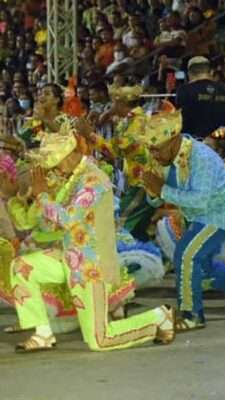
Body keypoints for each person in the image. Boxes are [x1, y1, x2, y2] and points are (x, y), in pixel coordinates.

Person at [9, 129, 174, 352]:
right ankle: (43, 334)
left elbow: (68, 219)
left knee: (100, 340)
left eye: (55, 164)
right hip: (68, 256)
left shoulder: (93, 179)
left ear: (67, 157)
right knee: (22, 266)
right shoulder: (73, 178)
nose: (53, 170)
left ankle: (158, 318)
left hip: (91, 267)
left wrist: (42, 196)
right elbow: (50, 224)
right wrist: (37, 198)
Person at [139, 110, 225, 331]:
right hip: (200, 214)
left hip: (222, 211)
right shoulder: (165, 156)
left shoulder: (200, 156)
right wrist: (152, 190)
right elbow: (157, 199)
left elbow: (200, 199)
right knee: (202, 263)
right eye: (150, 148)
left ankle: (192, 315)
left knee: (186, 255)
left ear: (174, 140)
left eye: (156, 149)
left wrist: (162, 190)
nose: (153, 154)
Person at [175, 56, 225, 140]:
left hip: (194, 143)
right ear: (209, 71)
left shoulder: (184, 90)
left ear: (189, 73)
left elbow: (181, 120)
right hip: (220, 143)